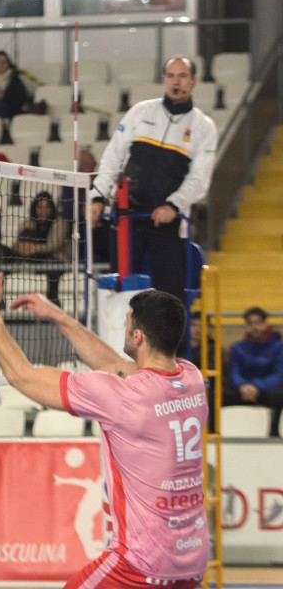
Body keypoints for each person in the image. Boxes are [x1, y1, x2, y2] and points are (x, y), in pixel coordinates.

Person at [0, 257, 209, 588]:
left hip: (139, 565)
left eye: (127, 323)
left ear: (137, 336)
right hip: (192, 563)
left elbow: (22, 376)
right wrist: (58, 316)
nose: (124, 329)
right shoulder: (192, 379)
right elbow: (115, 364)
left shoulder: (123, 397)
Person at [90, 56, 217, 304]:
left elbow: (200, 179)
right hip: (128, 218)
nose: (176, 82)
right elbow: (112, 157)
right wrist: (97, 196)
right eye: (170, 76)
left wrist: (173, 205)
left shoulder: (204, 126)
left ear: (194, 81)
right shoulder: (140, 112)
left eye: (182, 76)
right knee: (123, 295)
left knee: (170, 300)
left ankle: (171, 345)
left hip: (169, 225)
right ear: (164, 79)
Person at [224, 306, 283, 436]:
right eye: (251, 324)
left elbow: (279, 375)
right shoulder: (237, 347)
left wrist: (256, 386)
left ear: (265, 324)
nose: (255, 327)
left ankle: (274, 433)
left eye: (258, 323)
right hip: (243, 391)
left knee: (280, 395)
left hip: (266, 391)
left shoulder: (278, 347)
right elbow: (234, 372)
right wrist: (244, 386)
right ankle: (212, 431)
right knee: (215, 395)